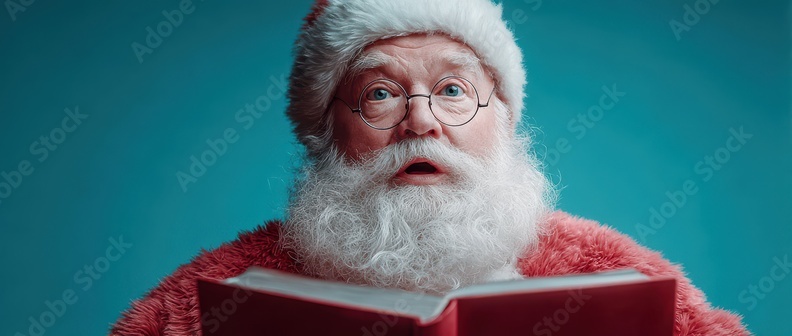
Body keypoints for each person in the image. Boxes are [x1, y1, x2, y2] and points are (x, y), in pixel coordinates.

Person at [111, 0, 748, 334]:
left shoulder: (612, 274)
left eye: (452, 91)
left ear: (503, 117)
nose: (422, 123)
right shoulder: (212, 296)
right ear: (325, 129)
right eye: (381, 94)